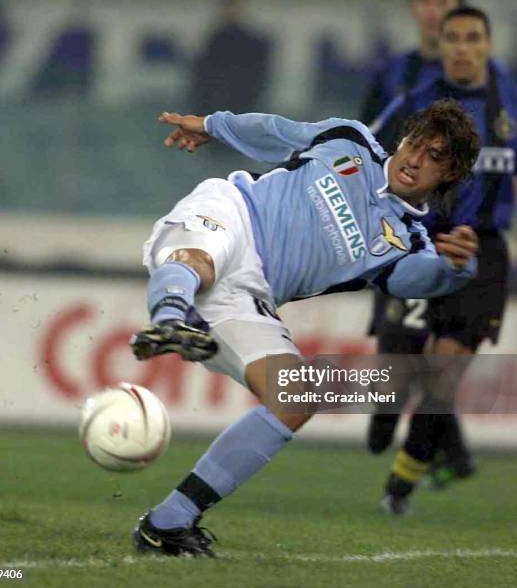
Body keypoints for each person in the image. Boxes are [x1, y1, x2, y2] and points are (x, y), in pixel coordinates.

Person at [129, 100, 480, 557]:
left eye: (436, 157)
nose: (416, 159)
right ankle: (170, 320)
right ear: (404, 138)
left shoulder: (407, 243)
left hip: (251, 294)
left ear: (449, 176)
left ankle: (168, 524)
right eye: (416, 143)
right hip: (232, 213)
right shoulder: (349, 141)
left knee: (298, 397)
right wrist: (212, 125)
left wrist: (458, 270)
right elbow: (274, 129)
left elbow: (423, 280)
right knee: (201, 262)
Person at [367, 6, 517, 514]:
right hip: (416, 243)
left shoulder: (511, 102)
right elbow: (369, 153)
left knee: (443, 374)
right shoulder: (415, 103)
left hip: (483, 249)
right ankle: (390, 430)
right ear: (442, 43)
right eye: (452, 37)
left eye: (472, 37)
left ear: (487, 45)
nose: (461, 47)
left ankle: (401, 486)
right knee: (391, 384)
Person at [360, 0, 464, 125]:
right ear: (413, 7)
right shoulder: (389, 74)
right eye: (424, 1)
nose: (432, 12)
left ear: (459, 10)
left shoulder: (491, 76)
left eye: (442, 2)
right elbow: (365, 139)